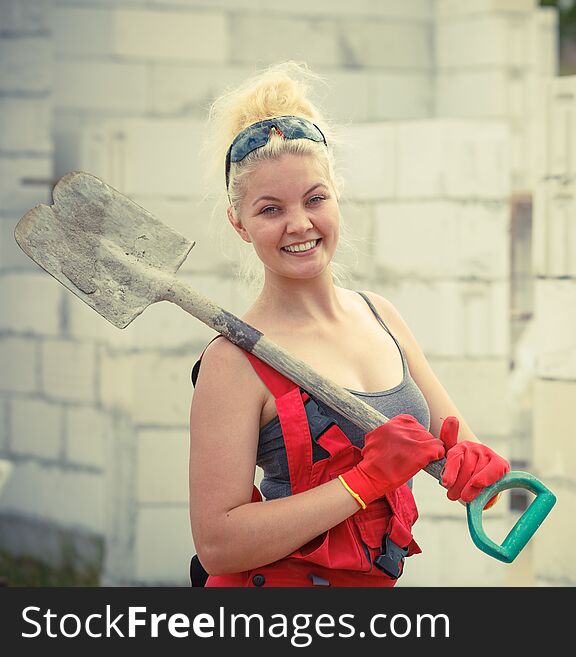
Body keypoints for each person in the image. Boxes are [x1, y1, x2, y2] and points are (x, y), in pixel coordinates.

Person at [188, 61, 510, 587]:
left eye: (315, 198)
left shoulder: (381, 317)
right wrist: (364, 482)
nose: (299, 223)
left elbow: (478, 474)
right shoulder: (233, 361)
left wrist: (480, 471)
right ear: (239, 223)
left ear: (337, 196)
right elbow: (219, 545)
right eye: (270, 209)